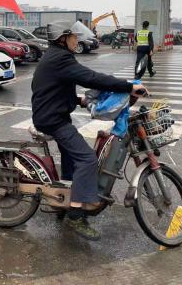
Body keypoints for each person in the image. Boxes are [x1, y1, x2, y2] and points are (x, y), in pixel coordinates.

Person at [31, 21, 147, 240]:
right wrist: (128, 86)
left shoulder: (55, 57)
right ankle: (75, 215)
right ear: (63, 39)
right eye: (74, 36)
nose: (77, 39)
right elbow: (92, 77)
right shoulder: (61, 58)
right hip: (53, 119)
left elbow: (53, 89)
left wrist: (80, 100)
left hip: (52, 114)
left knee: (72, 159)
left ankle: (65, 200)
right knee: (87, 160)